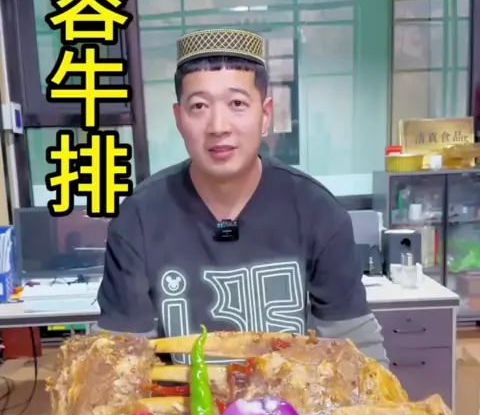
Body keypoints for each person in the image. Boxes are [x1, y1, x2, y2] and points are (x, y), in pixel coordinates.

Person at [97, 28, 386, 365]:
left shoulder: (317, 211)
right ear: (179, 119)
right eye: (199, 106)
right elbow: (118, 360)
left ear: (265, 115)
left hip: (291, 399)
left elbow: (358, 350)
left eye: (237, 104)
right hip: (178, 399)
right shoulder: (139, 218)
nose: (218, 126)